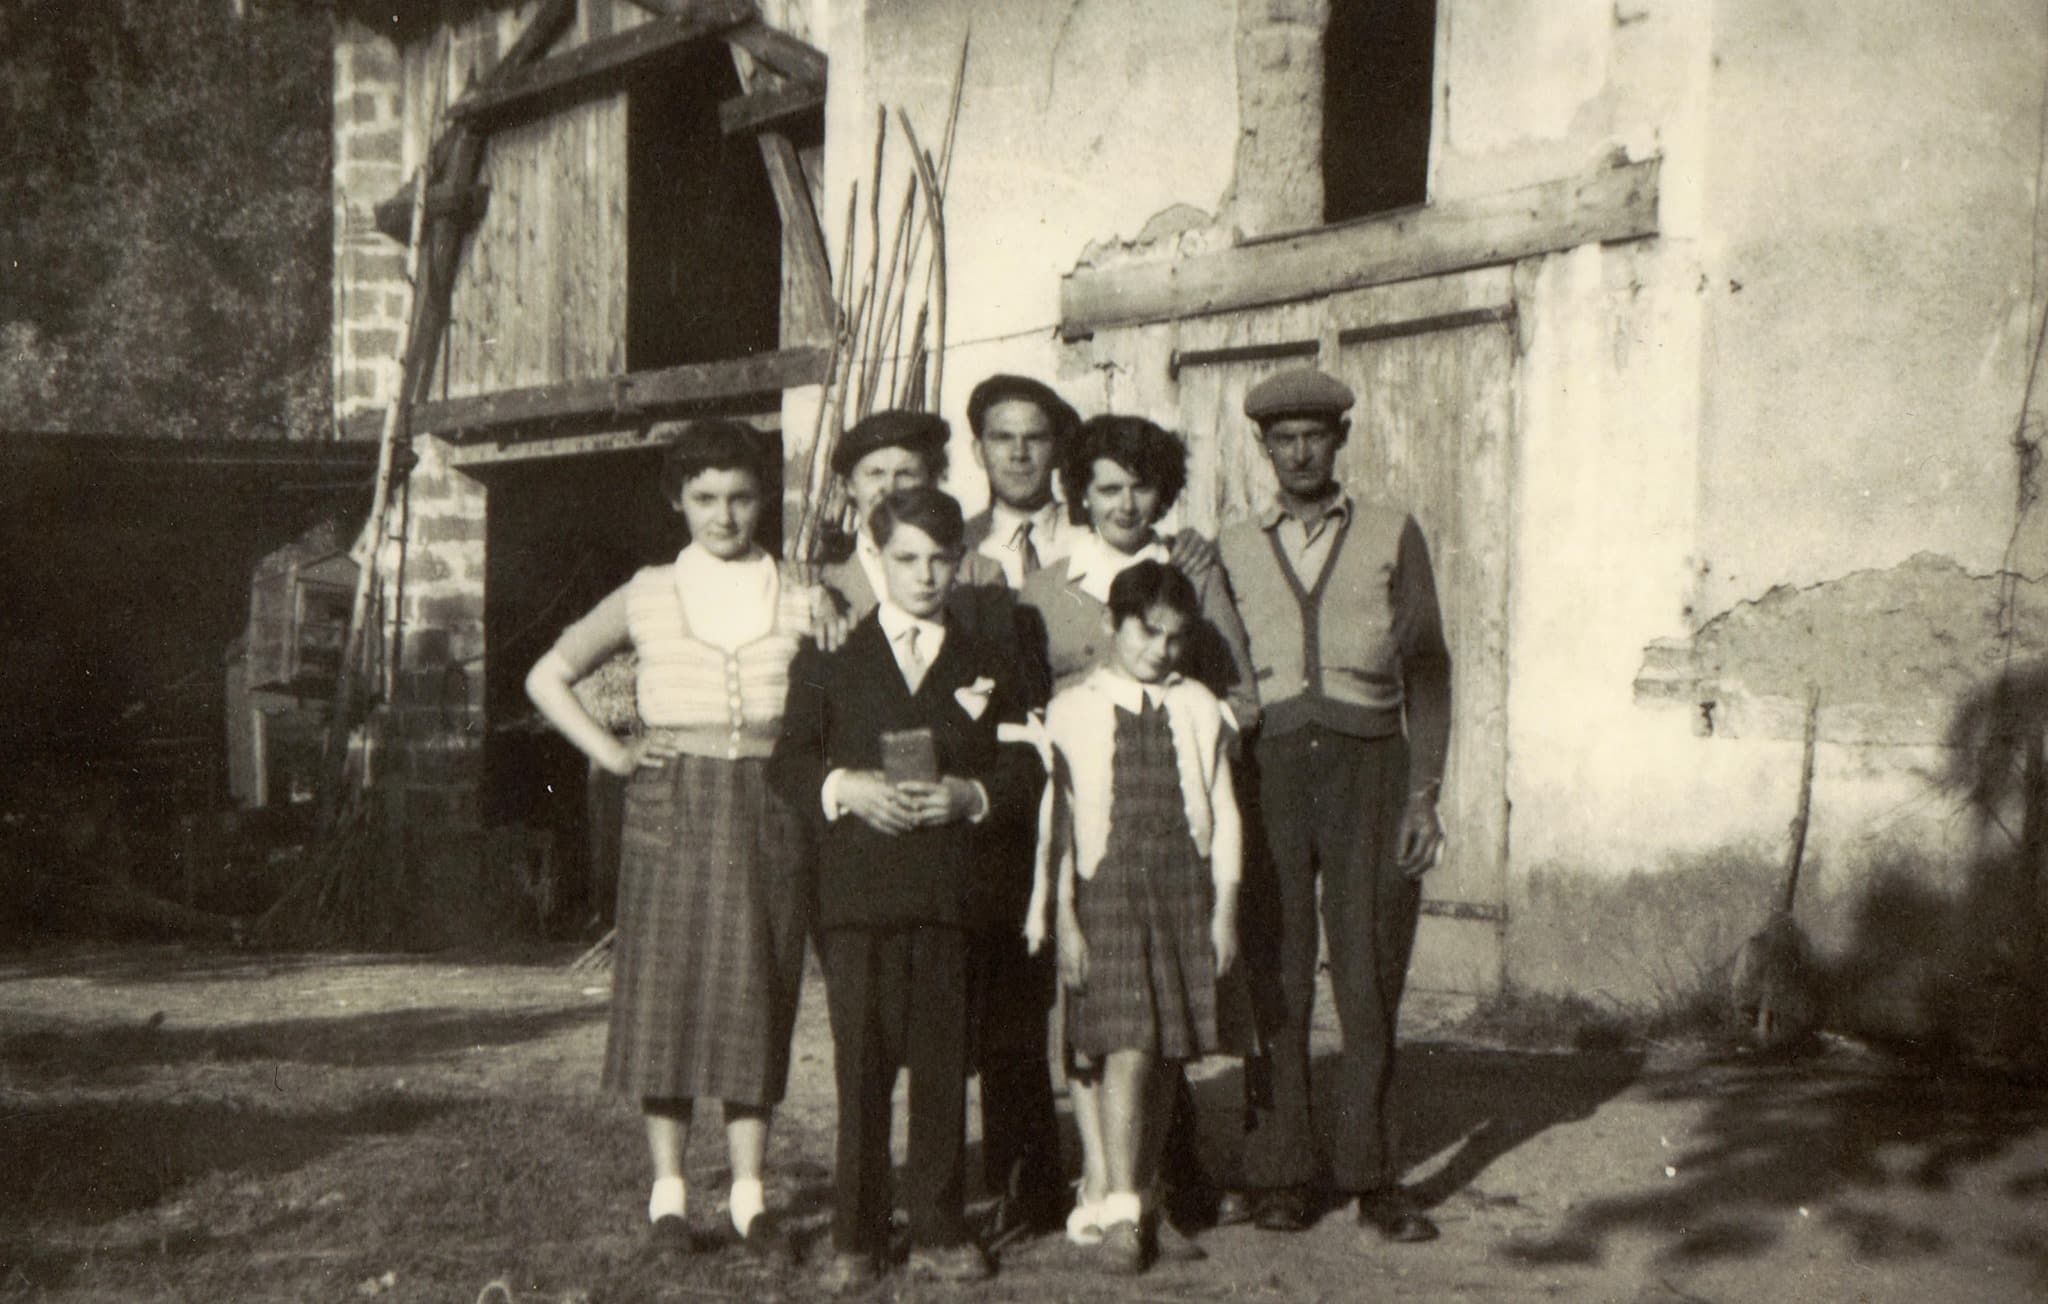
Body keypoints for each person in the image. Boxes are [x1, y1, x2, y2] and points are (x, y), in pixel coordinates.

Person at [523, 419, 818, 1253]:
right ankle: (669, 1197)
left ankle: (751, 1197)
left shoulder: (800, 588)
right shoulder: (648, 590)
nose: (724, 516)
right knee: (667, 997)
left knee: (757, 989)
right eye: (705, 499)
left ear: (765, 498)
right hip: (670, 803)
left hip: (770, 804)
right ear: (678, 501)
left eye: (742, 497)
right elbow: (546, 676)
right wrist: (614, 753)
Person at [769, 487, 1043, 1292]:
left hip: (952, 895)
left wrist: (974, 796)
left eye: (940, 559)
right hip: (858, 898)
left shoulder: (987, 659)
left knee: (940, 1058)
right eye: (907, 559)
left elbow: (1026, 764)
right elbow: (787, 762)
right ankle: (855, 1232)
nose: (925, 576)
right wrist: (844, 787)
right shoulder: (830, 656)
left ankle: (938, 1224)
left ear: (961, 561)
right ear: (876, 559)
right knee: (861, 1063)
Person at [1218, 369, 1451, 1244]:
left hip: (1372, 770)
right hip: (1267, 772)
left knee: (1369, 970)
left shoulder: (1393, 532)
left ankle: (1374, 1175)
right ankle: (1279, 1171)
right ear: (1264, 448)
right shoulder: (1232, 546)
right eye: (1285, 439)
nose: (1301, 451)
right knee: (1275, 974)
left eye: (1316, 434)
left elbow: (1429, 669)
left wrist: (1423, 793)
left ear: (1341, 440)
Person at [1016, 412, 1258, 1251]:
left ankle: (1139, 1190)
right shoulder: (1047, 588)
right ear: (1081, 489)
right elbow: (1032, 730)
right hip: (1090, 850)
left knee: (1156, 1044)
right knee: (1102, 1035)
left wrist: (1195, 710)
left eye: (1142, 486)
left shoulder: (1187, 574)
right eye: (1108, 486)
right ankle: (1107, 1191)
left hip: (1176, 848)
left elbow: (1235, 700)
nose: (1125, 502)